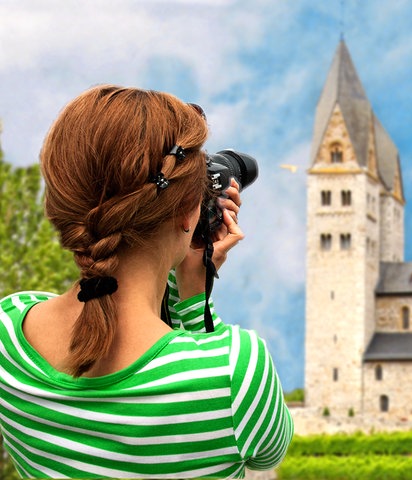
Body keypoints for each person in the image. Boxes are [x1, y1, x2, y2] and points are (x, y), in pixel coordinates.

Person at [0, 85, 293, 479]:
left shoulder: (8, 332)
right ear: (188, 215)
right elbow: (265, 458)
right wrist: (193, 301)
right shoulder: (234, 373)